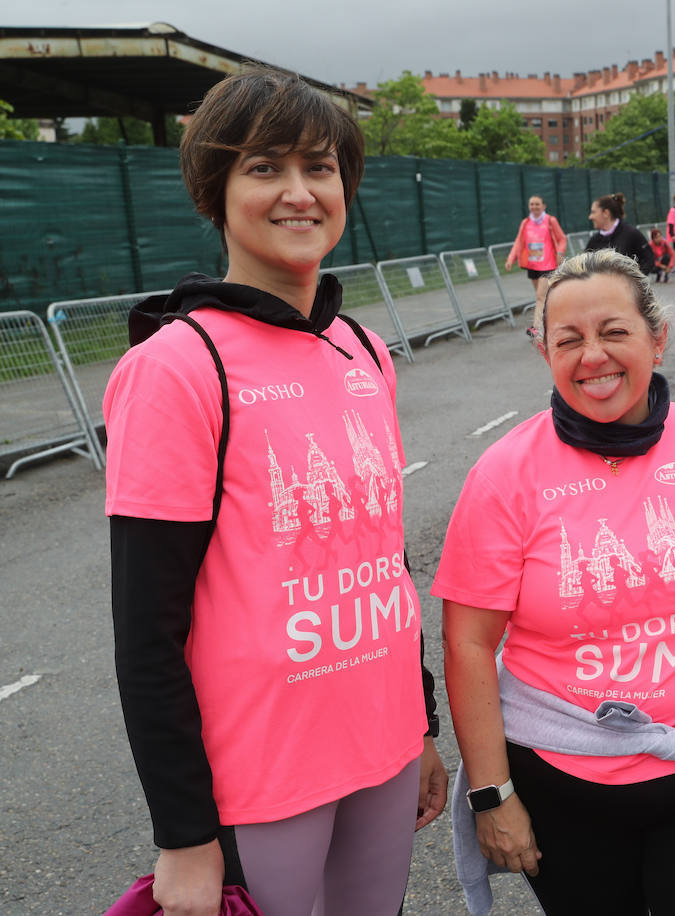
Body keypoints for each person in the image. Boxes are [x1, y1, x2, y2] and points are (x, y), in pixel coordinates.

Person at [103, 66, 448, 916]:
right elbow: (147, 633)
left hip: (383, 748)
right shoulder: (176, 367)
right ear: (213, 192)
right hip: (262, 784)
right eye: (263, 168)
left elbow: (384, 557)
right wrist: (185, 834)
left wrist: (423, 723)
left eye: (319, 167)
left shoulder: (363, 349)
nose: (299, 192)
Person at [435, 249, 675, 916]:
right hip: (565, 787)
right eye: (568, 340)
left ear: (657, 338)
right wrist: (492, 794)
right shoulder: (505, 472)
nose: (593, 357)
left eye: (614, 332)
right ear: (543, 352)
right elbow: (467, 644)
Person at [506, 195, 569, 312]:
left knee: (540, 296)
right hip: (533, 263)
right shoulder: (525, 223)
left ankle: (541, 322)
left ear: (543, 206)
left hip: (548, 264)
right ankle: (557, 312)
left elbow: (562, 238)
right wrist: (511, 259)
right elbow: (518, 242)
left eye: (537, 204)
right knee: (544, 295)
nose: (534, 207)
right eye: (532, 204)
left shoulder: (551, 221)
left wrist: (560, 252)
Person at [584, 192, 655, 277]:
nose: (590, 217)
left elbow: (648, 259)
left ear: (606, 213)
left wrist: (634, 282)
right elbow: (584, 268)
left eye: (593, 212)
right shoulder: (594, 240)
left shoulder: (631, 234)